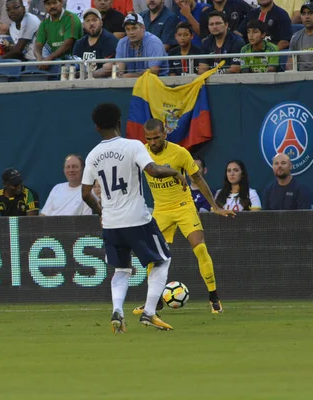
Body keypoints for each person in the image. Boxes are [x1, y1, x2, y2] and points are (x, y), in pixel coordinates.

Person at [81, 103, 188, 332]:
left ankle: (117, 311)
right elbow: (153, 170)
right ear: (119, 123)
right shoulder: (133, 145)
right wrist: (176, 173)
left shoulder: (93, 155)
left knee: (121, 269)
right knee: (162, 259)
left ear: (97, 127)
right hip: (137, 219)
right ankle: (149, 313)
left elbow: (85, 193)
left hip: (111, 223)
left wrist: (101, 212)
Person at [134, 118, 235, 316]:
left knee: (200, 247)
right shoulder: (140, 152)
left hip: (183, 206)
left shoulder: (180, 153)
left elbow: (197, 178)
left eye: (156, 137)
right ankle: (154, 303)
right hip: (160, 210)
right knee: (153, 257)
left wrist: (215, 207)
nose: (153, 142)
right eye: (149, 138)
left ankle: (214, 297)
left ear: (165, 134)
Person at [115, 13, 169, 77]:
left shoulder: (153, 42)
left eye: (134, 28)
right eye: (127, 29)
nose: (131, 32)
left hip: (156, 82)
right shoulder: (122, 43)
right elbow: (119, 70)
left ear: (143, 28)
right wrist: (120, 75)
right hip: (130, 83)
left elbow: (154, 72)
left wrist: (130, 76)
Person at [34, 0, 82, 70]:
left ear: (61, 3)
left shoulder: (71, 18)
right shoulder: (44, 23)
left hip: (75, 60)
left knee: (66, 66)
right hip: (56, 60)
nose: (52, 6)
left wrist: (49, 59)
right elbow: (38, 44)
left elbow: (67, 45)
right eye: (48, 3)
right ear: (45, 6)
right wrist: (39, 58)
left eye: (54, 2)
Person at [72, 7, 118, 78]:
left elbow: (109, 68)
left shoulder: (110, 40)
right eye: (88, 21)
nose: (91, 23)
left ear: (101, 22)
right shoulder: (79, 43)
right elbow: (75, 66)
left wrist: (87, 76)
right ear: (83, 25)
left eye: (94, 20)